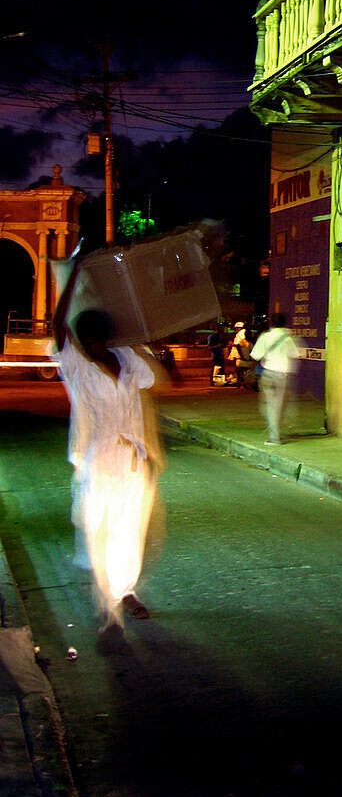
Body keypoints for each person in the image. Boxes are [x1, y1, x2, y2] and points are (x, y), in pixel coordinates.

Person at [52, 255, 166, 639]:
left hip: (133, 459)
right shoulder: (78, 368)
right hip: (99, 458)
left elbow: (156, 379)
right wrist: (73, 277)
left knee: (129, 528)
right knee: (99, 530)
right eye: (88, 341)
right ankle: (109, 605)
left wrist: (133, 331)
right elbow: (57, 327)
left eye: (100, 340)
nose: (94, 347)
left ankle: (127, 593)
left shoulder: (128, 360)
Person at [251, 313, 300, 443]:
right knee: (278, 405)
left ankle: (274, 437)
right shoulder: (288, 338)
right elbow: (295, 354)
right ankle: (275, 433)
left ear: (271, 323)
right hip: (282, 375)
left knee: (269, 406)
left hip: (268, 374)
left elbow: (255, 355)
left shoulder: (265, 337)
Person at [229, 320, 252, 387]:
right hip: (241, 354)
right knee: (239, 369)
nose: (235, 330)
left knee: (239, 369)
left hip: (240, 355)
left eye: (236, 328)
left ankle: (241, 382)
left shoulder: (241, 333)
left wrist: (233, 344)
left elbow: (240, 344)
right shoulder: (241, 333)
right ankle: (240, 381)